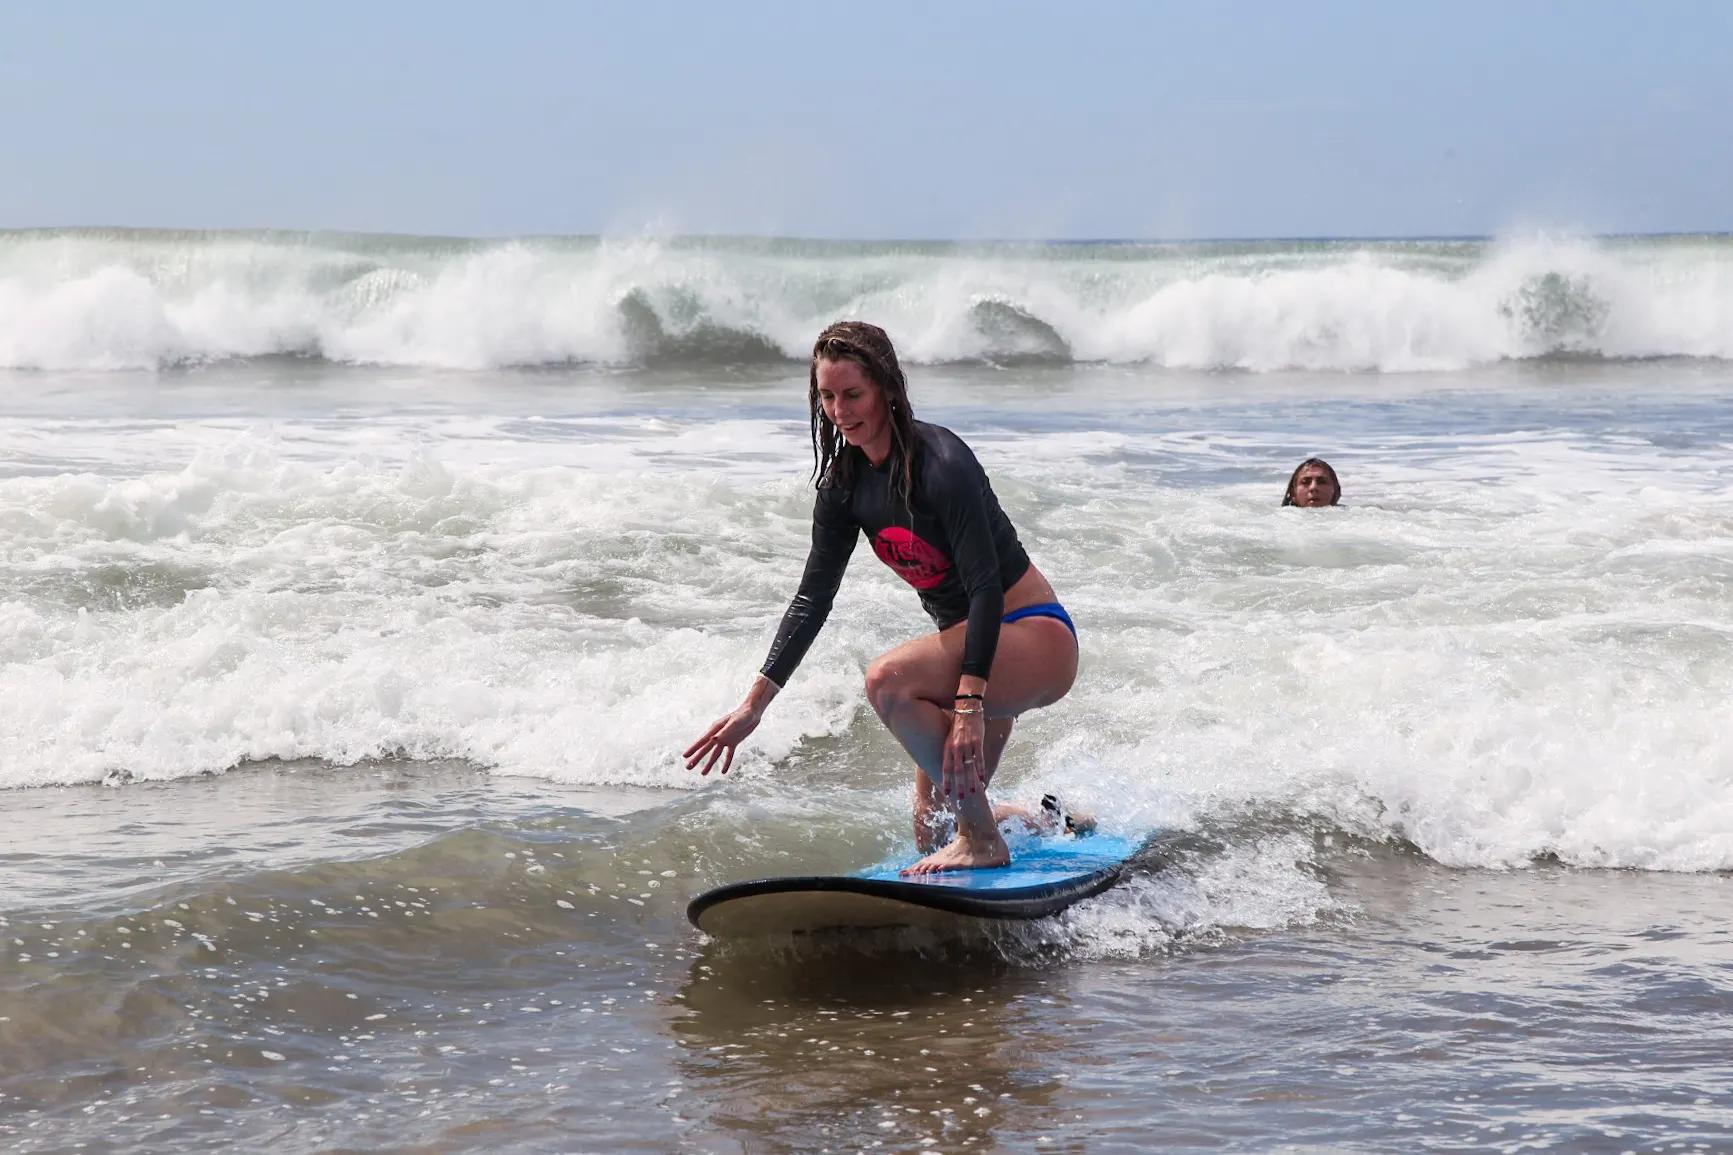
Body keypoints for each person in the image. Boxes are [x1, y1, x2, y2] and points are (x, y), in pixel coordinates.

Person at [683, 321, 1079, 875]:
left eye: (852, 394)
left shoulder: (942, 464)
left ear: (887, 389)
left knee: (887, 679)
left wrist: (968, 704)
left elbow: (985, 586)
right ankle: (1046, 820)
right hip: (972, 655)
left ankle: (985, 840)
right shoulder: (844, 486)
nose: (839, 411)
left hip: (1030, 639)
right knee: (931, 827)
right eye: (826, 396)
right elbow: (811, 599)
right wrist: (754, 706)